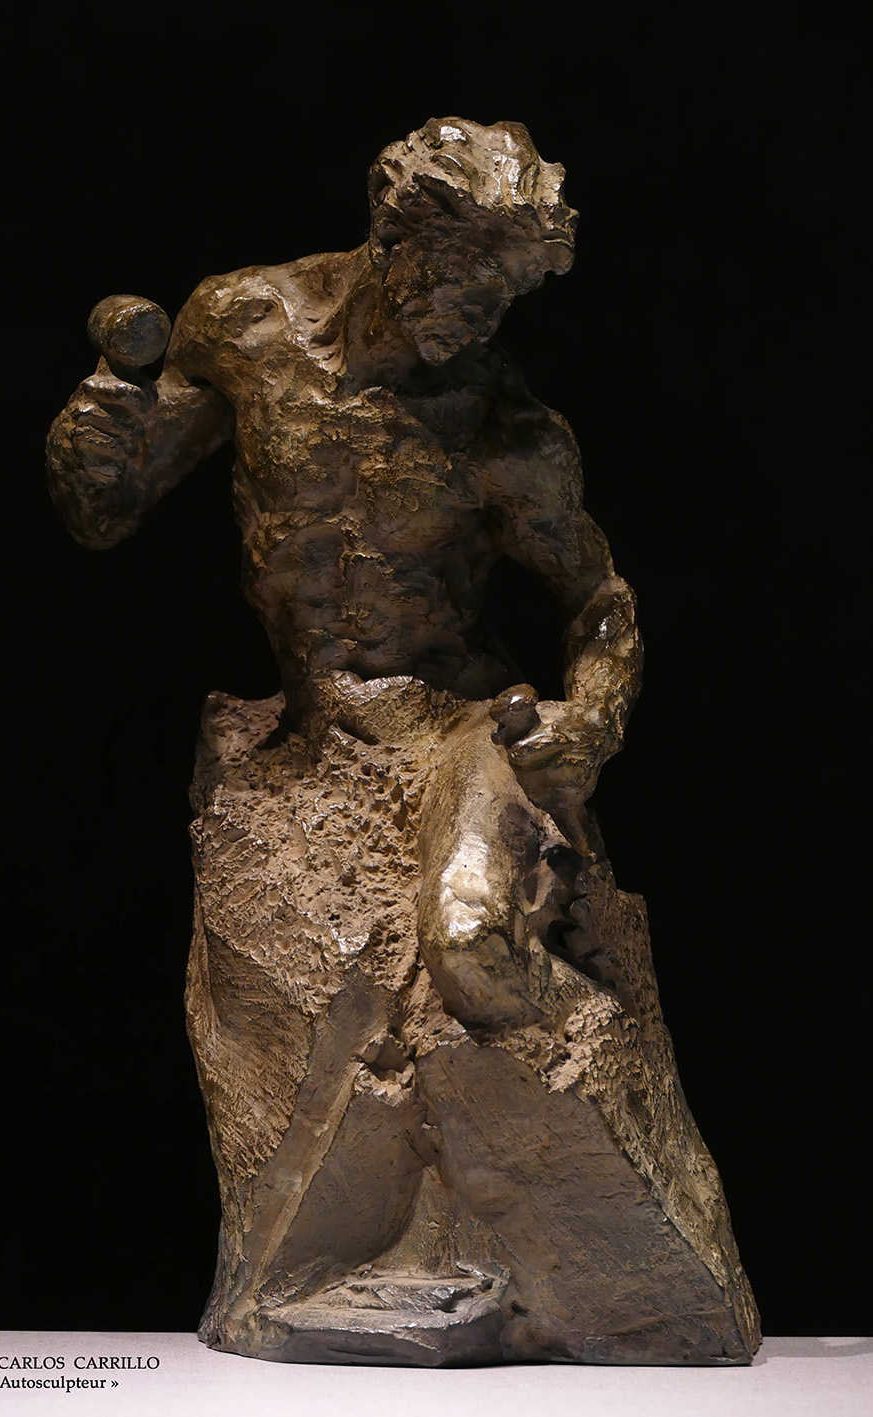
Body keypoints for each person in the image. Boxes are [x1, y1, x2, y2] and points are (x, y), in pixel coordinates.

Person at [47, 120, 755, 1366]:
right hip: (305, 738)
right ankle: (378, 1253)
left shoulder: (506, 430)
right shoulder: (245, 325)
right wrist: (105, 408)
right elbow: (106, 506)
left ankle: (530, 1241)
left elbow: (602, 601)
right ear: (399, 236)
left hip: (454, 730)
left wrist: (595, 718)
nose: (484, 315)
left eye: (507, 294)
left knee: (473, 945)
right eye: (471, 278)